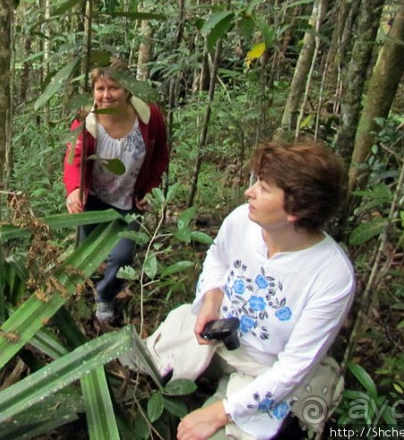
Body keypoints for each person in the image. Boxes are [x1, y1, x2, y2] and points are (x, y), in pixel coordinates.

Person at [137, 141, 354, 440]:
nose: (249, 192)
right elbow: (218, 257)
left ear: (297, 208)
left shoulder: (331, 275)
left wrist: (218, 413)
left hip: (265, 368)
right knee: (137, 366)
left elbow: (292, 368)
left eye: (264, 188)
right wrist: (212, 299)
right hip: (217, 335)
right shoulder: (242, 220)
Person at [63, 59, 169, 324]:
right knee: (90, 253)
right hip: (94, 199)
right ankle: (83, 291)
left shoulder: (149, 116)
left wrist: (150, 191)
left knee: (122, 256)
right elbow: (73, 159)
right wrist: (74, 190)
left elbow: (160, 156)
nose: (106, 95)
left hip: (129, 201)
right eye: (100, 88)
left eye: (114, 87)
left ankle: (105, 295)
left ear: (127, 90)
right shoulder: (86, 120)